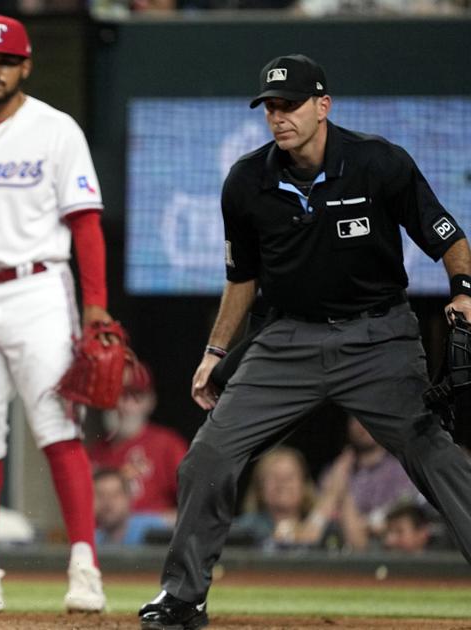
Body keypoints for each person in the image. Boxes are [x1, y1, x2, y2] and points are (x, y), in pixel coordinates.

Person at [140, 54, 471, 630]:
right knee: (209, 457)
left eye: (290, 105)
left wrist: (464, 292)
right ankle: (183, 597)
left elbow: (446, 235)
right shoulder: (246, 181)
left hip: (378, 338)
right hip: (287, 340)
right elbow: (241, 278)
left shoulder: (378, 162)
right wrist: (214, 353)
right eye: (270, 107)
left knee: (435, 455)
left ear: (323, 105)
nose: (279, 116)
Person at [0, 14, 112, 614]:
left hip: (38, 290)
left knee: (56, 428)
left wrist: (96, 308)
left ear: (26, 65)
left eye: (7, 61)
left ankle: (85, 566)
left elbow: (85, 224)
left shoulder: (56, 129)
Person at [306, 414, 421, 551]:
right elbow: (317, 518)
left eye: (368, 417)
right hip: (337, 549)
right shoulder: (334, 471)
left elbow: (404, 516)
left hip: (386, 550)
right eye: (356, 419)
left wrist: (364, 523)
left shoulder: (402, 471)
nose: (362, 425)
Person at [89, 361, 187, 520]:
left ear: (150, 401)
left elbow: (195, 505)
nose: (125, 406)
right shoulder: (95, 453)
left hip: (154, 534)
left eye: (136, 396)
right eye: (117, 395)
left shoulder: (167, 445)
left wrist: (154, 523)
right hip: (106, 534)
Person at [230, 447, 320, 549]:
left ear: (304, 485)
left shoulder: (320, 527)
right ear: (260, 488)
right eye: (274, 477)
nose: (282, 483)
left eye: (289, 477)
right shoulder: (243, 529)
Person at [94, 468, 170, 547]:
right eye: (100, 495)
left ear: (128, 498)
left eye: (115, 495)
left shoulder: (152, 528)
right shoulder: (93, 540)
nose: (107, 502)